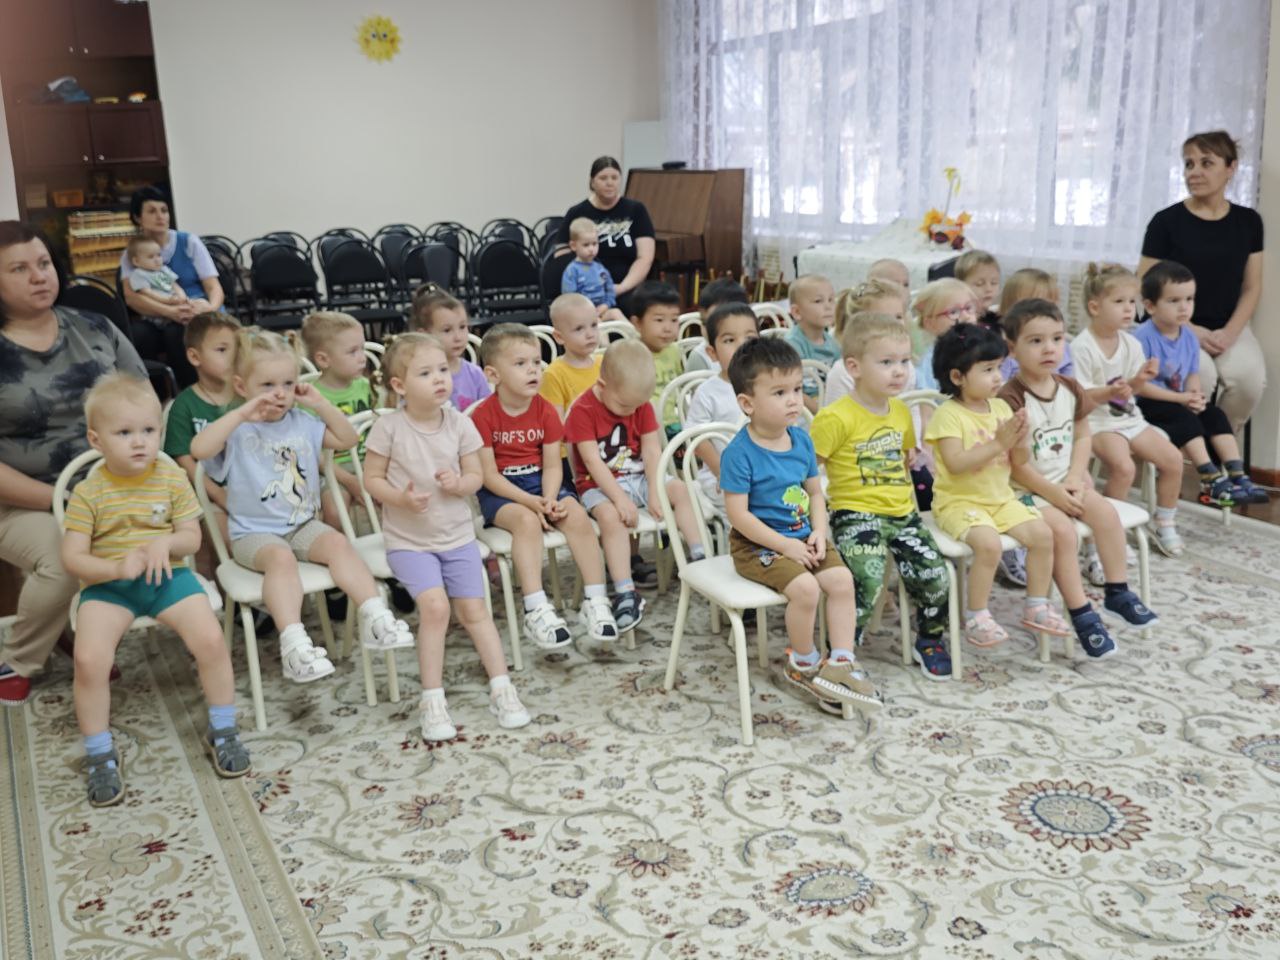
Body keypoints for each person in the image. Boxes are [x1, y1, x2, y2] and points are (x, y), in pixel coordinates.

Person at [60, 374, 248, 806]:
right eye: (124, 433)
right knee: (89, 660)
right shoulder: (88, 492)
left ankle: (223, 728)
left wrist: (166, 542)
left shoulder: (169, 476)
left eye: (148, 430)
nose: (139, 442)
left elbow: (192, 539)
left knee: (211, 639)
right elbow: (73, 558)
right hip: (109, 587)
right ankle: (99, 752)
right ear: (96, 439)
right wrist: (114, 567)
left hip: (168, 579)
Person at [190, 328, 414, 683]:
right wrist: (241, 413)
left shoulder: (302, 423)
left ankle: (376, 617)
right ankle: (294, 644)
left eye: (288, 383)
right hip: (253, 534)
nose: (279, 393)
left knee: (339, 543)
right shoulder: (236, 430)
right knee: (280, 559)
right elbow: (199, 450)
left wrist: (320, 403)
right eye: (267, 385)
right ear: (241, 386)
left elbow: (347, 438)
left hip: (302, 526)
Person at [0, 221, 147, 706]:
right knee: (64, 559)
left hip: (113, 486)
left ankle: (78, 632)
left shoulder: (94, 328)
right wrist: (66, 498)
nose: (38, 276)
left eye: (44, 264)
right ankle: (18, 659)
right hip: (22, 501)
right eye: (18, 269)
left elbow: (142, 401)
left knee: (171, 533)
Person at [362, 334, 532, 742]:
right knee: (436, 608)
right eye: (425, 373)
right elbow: (372, 479)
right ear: (399, 385)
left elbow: (476, 475)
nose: (440, 378)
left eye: (442, 370)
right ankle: (432, 699)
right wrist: (399, 498)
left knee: (475, 610)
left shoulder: (460, 423)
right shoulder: (388, 427)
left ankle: (502, 688)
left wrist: (460, 484)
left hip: (456, 536)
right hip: (409, 541)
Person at [719, 337, 881, 711]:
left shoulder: (802, 441)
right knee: (806, 589)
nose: (794, 400)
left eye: (796, 389)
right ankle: (803, 663)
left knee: (842, 580)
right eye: (779, 392)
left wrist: (819, 531)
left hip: (802, 535)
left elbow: (815, 494)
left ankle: (841, 662)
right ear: (747, 404)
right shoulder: (739, 454)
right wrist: (785, 546)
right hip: (756, 545)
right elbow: (739, 516)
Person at [998, 299, 1159, 658]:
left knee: (1106, 514)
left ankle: (1118, 591)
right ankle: (1082, 613)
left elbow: (1083, 436)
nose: (1049, 348)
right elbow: (1015, 466)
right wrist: (1055, 493)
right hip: (1024, 492)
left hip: (1066, 482)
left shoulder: (1069, 387)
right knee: (1063, 532)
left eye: (1057, 339)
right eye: (1036, 341)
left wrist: (1074, 477)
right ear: (1012, 348)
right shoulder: (1009, 398)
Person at [811, 314, 952, 679]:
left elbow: (903, 460)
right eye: (886, 362)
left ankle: (930, 639)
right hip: (855, 514)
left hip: (902, 514)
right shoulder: (834, 417)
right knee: (866, 578)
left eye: (904, 361)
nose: (899, 371)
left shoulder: (901, 412)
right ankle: (841, 652)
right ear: (854, 367)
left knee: (936, 575)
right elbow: (809, 470)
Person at [471, 324, 618, 646]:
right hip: (502, 490)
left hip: (544, 482)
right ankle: (535, 607)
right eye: (520, 363)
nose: (533, 370)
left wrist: (549, 498)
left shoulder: (547, 411)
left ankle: (596, 600)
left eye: (537, 362)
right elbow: (489, 476)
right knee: (526, 522)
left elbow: (552, 465)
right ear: (493, 375)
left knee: (576, 515)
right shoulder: (482, 417)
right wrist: (530, 502)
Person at [923, 323, 1067, 648]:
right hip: (959, 503)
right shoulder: (948, 415)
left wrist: (1020, 440)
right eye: (987, 369)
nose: (998, 377)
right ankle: (976, 615)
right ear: (957, 377)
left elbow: (1019, 461)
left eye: (999, 367)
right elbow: (956, 464)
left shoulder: (1001, 407)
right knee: (988, 545)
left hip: (1001, 499)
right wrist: (999, 442)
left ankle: (1036, 606)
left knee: (1043, 536)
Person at [566, 339, 706, 632]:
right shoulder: (582, 409)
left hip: (640, 477)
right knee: (610, 517)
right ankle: (625, 591)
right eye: (623, 405)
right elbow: (591, 462)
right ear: (602, 385)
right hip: (598, 484)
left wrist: (655, 491)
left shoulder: (640, 405)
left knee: (680, 490)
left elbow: (652, 451)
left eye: (636, 406)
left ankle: (699, 560)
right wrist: (619, 499)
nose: (630, 412)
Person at [1139, 130, 1265, 433]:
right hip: (1173, 327)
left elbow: (1252, 287)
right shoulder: (1165, 222)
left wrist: (1230, 333)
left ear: (1231, 168)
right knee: (1200, 379)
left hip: (1228, 326)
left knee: (1249, 382)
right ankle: (1193, 452)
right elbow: (1145, 284)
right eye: (1189, 164)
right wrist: (1190, 329)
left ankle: (1219, 450)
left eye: (1206, 163)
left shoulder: (1248, 221)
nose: (1194, 172)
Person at [1071, 262, 1188, 558]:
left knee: (1174, 460)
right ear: (1095, 307)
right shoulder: (1082, 346)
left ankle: (1164, 522)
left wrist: (1140, 379)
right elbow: (1082, 397)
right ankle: (1107, 532)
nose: (1128, 309)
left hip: (1129, 419)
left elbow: (1131, 391)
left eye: (1132, 302)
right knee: (1124, 469)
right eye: (1119, 302)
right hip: (1097, 423)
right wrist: (1112, 391)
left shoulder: (1131, 343)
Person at [1132, 261, 1269, 506]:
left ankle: (1237, 475)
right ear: (1150, 306)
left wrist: (1194, 396)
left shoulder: (1188, 336)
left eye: (1189, 299)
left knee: (1214, 415)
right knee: (1185, 418)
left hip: (1177, 401)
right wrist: (1180, 399)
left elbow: (1191, 373)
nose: (1184, 307)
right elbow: (1139, 386)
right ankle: (1209, 477)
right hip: (1146, 404)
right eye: (1174, 301)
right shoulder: (1142, 337)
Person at [119, 186, 225, 387]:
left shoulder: (189, 242)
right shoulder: (132, 253)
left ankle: (190, 390)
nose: (160, 216)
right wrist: (169, 312)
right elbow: (131, 297)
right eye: (152, 211)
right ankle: (153, 393)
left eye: (164, 210)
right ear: (138, 217)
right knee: (139, 333)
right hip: (157, 313)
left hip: (195, 308)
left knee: (176, 332)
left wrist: (210, 308)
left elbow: (213, 286)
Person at [164, 311, 241, 545]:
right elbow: (184, 460)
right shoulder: (184, 405)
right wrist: (219, 495)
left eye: (237, 349)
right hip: (209, 495)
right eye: (222, 350)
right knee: (226, 537)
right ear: (195, 357)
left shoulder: (247, 397)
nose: (233, 357)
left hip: (251, 488)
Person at [300, 311, 374, 531]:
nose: (362, 357)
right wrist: (350, 481)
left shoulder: (367, 387)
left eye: (362, 348)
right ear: (324, 359)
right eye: (352, 351)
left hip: (370, 462)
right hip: (332, 469)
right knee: (335, 511)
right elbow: (313, 453)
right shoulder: (310, 398)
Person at [556, 156, 656, 314]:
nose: (610, 183)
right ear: (592, 182)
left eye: (614, 178)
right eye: (603, 178)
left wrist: (622, 287)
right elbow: (561, 254)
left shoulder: (636, 209)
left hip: (627, 287)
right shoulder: (577, 212)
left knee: (641, 307)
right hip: (587, 289)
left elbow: (645, 257)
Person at [685, 303, 759, 510]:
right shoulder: (708, 392)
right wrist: (723, 473)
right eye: (729, 340)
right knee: (747, 504)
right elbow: (697, 439)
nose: (741, 346)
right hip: (720, 474)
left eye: (749, 338)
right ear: (713, 352)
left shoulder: (769, 384)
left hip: (764, 470)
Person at [825, 278, 910, 408]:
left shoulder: (904, 366)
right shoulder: (842, 373)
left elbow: (912, 409)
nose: (894, 323)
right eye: (886, 362)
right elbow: (835, 414)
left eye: (898, 317)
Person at [409, 284, 491, 412]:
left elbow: (488, 411)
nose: (458, 337)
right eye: (447, 330)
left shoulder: (475, 374)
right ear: (424, 334)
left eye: (462, 327)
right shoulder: (416, 376)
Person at [995, 268, 1074, 380]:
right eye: (1035, 306)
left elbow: (1069, 383)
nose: (1044, 313)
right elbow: (998, 385)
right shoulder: (1002, 348)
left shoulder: (1063, 347)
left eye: (1050, 305)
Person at [628, 280, 684, 430]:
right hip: (641, 427)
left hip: (673, 423)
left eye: (674, 320)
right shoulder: (630, 354)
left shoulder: (674, 350)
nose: (668, 328)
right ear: (637, 323)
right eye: (659, 320)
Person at [540, 293, 603, 419]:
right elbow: (556, 423)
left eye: (594, 325)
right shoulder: (553, 375)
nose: (590, 334)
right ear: (559, 337)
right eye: (579, 328)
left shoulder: (605, 363)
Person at [785, 274, 840, 413]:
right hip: (799, 408)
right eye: (818, 301)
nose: (828, 306)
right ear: (797, 312)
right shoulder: (792, 345)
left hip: (827, 401)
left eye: (831, 300)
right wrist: (820, 412)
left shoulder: (832, 343)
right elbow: (788, 388)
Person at [912, 278, 978, 391]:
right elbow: (928, 398)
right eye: (953, 312)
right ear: (930, 323)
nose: (966, 316)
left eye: (968, 308)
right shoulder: (931, 363)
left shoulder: (982, 349)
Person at [560, 218, 627, 324]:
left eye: (595, 244)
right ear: (573, 246)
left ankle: (633, 334)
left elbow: (610, 290)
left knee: (616, 313)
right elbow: (570, 299)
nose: (591, 249)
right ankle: (602, 336)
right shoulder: (572, 271)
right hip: (582, 314)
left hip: (601, 310)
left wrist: (606, 305)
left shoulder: (600, 268)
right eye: (586, 245)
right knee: (597, 323)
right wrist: (588, 312)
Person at [125, 236, 211, 315]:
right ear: (136, 261)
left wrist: (182, 297)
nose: (157, 260)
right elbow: (147, 293)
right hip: (162, 307)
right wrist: (167, 301)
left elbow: (175, 285)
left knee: (203, 304)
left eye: (159, 255)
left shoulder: (163, 269)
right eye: (151, 257)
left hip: (177, 301)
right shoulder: (138, 274)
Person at [684, 277, 751, 374]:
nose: (708, 329)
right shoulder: (699, 357)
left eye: (716, 323)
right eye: (704, 323)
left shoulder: (754, 348)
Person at [954, 250, 1002, 328]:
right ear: (961, 285)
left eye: (994, 283)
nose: (989, 289)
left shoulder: (994, 316)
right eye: (979, 284)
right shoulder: (960, 322)